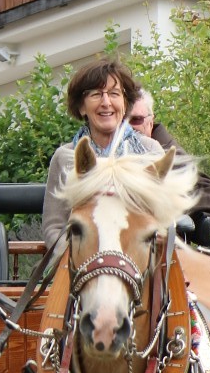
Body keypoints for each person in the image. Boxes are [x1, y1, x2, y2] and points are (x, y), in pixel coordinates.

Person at [41, 55, 160, 252]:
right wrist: (79, 258)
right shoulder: (64, 158)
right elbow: (54, 227)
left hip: (139, 266)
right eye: (96, 94)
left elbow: (163, 221)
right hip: (82, 267)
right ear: (81, 107)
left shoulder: (150, 152)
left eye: (114, 93)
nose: (106, 102)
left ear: (125, 103)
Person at [127, 89, 210, 246]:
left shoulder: (166, 151)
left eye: (136, 120)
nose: (128, 127)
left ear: (150, 121)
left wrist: (186, 215)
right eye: (122, 120)